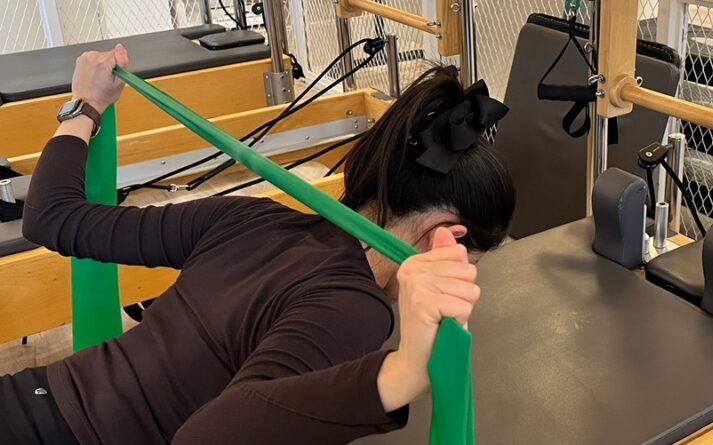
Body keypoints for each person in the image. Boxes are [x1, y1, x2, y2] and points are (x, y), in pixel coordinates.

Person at [1, 44, 515, 444]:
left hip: (25, 398)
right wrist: (404, 372)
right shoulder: (356, 306)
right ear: (447, 237)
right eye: (471, 261)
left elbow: (52, 218)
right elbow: (206, 437)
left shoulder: (250, 217)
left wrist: (85, 106)